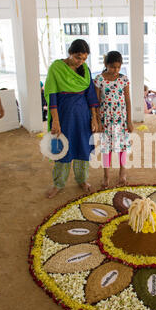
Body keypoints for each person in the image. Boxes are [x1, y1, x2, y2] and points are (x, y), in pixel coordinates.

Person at [44, 39, 99, 199]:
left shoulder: (85, 69)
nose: (80, 62)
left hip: (82, 116)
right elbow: (52, 95)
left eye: (83, 59)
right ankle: (58, 184)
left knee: (82, 147)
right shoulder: (57, 67)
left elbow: (90, 95)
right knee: (62, 148)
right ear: (70, 53)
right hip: (64, 115)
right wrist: (55, 120)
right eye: (77, 58)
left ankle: (82, 180)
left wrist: (94, 118)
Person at [94, 51, 133, 189]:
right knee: (106, 148)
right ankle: (106, 176)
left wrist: (129, 120)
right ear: (106, 65)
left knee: (122, 147)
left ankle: (123, 173)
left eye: (118, 67)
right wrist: (98, 121)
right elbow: (97, 102)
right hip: (106, 120)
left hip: (121, 120)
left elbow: (128, 101)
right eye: (112, 67)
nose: (115, 70)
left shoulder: (124, 79)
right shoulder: (99, 79)